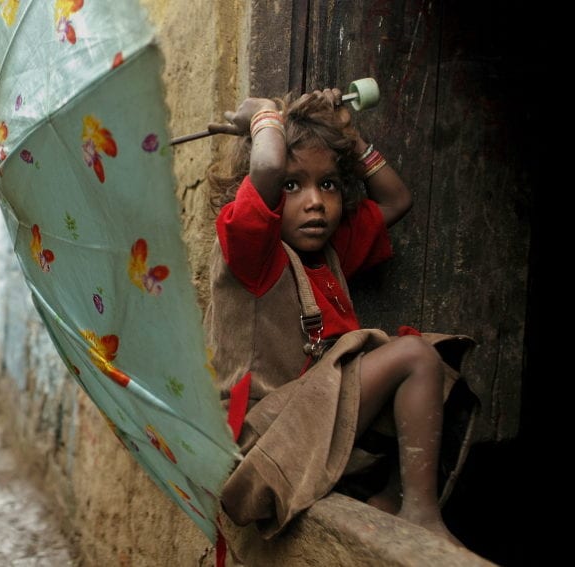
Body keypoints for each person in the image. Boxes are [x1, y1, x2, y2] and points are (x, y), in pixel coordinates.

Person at [203, 88, 474, 548]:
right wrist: (264, 117)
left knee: (436, 361)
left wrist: (353, 136)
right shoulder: (252, 254)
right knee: (412, 356)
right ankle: (422, 516)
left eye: (327, 184)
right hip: (263, 443)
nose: (315, 202)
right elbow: (267, 165)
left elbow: (395, 201)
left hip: (311, 423)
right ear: (257, 194)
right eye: (293, 186)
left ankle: (390, 498)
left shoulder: (329, 250)